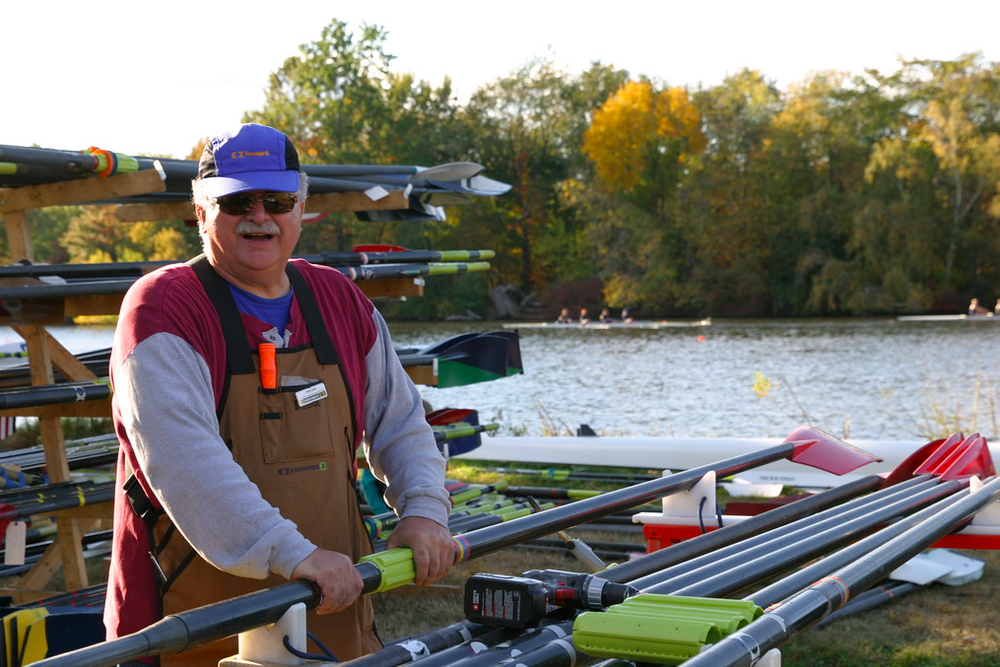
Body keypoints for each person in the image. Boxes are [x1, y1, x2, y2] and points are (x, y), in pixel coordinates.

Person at [104, 124, 454, 666]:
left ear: (301, 207)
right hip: (195, 633)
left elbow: (402, 422)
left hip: (335, 610)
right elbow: (188, 466)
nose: (259, 214)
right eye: (237, 200)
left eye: (277, 199)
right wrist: (296, 556)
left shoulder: (340, 298)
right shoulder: (161, 310)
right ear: (201, 213)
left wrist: (426, 511)